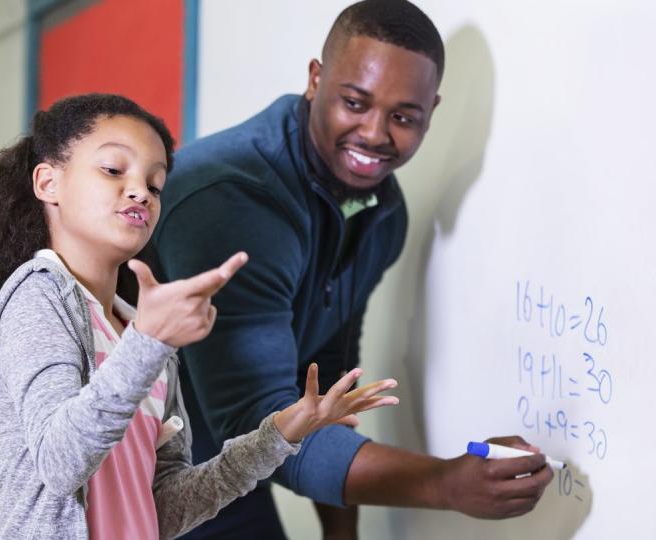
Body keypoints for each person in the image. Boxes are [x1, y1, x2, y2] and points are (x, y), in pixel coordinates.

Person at [0, 93, 400, 539]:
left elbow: (163, 508)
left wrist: (282, 433)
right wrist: (148, 340)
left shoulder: (138, 331)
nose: (140, 191)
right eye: (114, 170)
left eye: (156, 184)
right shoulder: (38, 297)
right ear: (48, 182)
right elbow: (59, 461)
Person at [151, 1, 554, 538]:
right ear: (316, 79)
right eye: (355, 102)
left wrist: (342, 535)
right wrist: (444, 483)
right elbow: (260, 422)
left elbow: (326, 388)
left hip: (221, 468)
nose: (374, 133)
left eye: (404, 116)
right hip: (131, 476)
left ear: (432, 111)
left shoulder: (381, 215)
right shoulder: (230, 197)